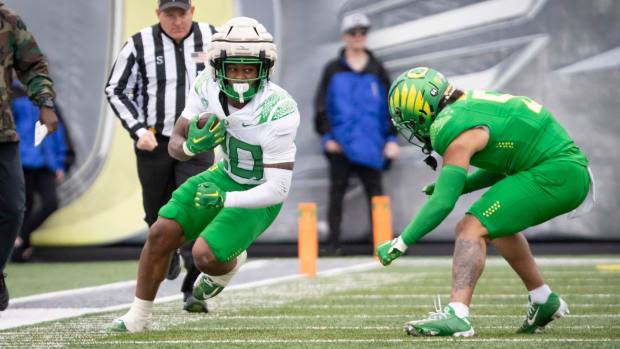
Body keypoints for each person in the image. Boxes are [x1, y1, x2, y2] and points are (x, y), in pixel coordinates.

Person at [106, 16, 299, 333]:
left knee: (204, 256)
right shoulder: (205, 84)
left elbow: (277, 190)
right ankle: (138, 317)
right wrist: (191, 148)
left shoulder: (279, 108)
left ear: (264, 69)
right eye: (233, 68)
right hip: (223, 175)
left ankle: (228, 266)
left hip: (258, 191)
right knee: (160, 232)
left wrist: (226, 198)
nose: (240, 77)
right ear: (217, 67)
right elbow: (176, 145)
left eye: (248, 69)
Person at [376, 67, 592, 336]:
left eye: (408, 121)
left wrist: (401, 241)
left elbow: (443, 203)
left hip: (556, 172)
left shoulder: (450, 128)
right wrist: (463, 184)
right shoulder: (469, 103)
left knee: (470, 227)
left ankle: (458, 315)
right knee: (496, 225)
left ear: (421, 111)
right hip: (560, 169)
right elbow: (508, 158)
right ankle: (542, 298)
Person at [105, 0, 217, 313]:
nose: (178, 20)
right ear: (159, 15)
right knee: (158, 216)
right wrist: (139, 129)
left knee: (199, 210)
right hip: (154, 141)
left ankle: (193, 290)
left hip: (197, 141)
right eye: (170, 14)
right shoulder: (139, 43)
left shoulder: (214, 38)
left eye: (183, 13)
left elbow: (230, 81)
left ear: (192, 11)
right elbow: (116, 88)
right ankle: (169, 253)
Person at [314, 13, 399, 255]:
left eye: (363, 32)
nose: (359, 37)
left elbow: (392, 107)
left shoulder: (377, 68)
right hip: (339, 145)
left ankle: (383, 245)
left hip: (372, 145)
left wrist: (391, 140)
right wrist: (328, 138)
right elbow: (321, 106)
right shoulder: (332, 69)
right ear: (344, 37)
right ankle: (332, 245)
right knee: (336, 194)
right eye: (353, 32)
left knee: (377, 195)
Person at [0, 3, 59, 311]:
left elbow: (33, 65)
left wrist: (45, 104)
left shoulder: (6, 19)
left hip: (2, 132)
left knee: (12, 206)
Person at [11, 81, 67, 263]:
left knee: (51, 203)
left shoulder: (48, 99)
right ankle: (19, 252)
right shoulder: (12, 96)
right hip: (23, 161)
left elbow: (57, 132)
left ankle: (20, 238)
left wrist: (59, 163)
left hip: (45, 163)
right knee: (22, 207)